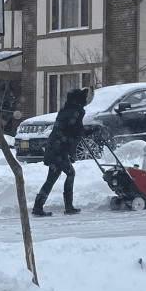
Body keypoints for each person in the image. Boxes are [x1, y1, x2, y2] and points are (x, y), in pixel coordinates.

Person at [32, 86, 90, 217]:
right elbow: (74, 131)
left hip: (56, 149)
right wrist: (87, 131)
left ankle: (38, 206)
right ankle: (68, 207)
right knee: (70, 173)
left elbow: (71, 130)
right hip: (59, 150)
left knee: (52, 178)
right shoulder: (75, 112)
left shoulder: (67, 110)